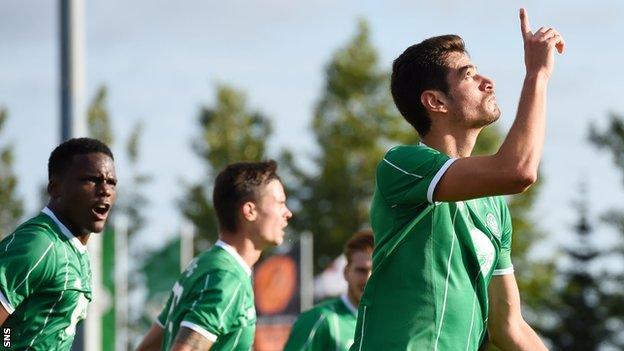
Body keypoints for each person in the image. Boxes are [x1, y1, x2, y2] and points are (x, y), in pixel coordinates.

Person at [350, 8, 564, 351]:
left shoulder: (494, 204)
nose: (487, 81)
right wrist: (537, 74)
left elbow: (508, 325)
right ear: (435, 101)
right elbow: (519, 170)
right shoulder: (402, 164)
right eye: (468, 75)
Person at [137, 160, 292, 351]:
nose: (288, 213)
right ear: (250, 211)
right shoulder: (227, 277)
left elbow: (148, 348)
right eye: (281, 203)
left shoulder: (205, 263)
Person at [0, 137, 117, 350]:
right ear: (55, 188)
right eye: (91, 179)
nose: (105, 189)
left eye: (111, 182)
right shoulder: (39, 244)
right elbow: (4, 330)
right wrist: (6, 343)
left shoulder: (75, 249)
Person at [284, 230, 374, 351]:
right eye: (361, 270)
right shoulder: (319, 319)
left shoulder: (389, 324)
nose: (368, 278)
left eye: (375, 271)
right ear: (346, 272)